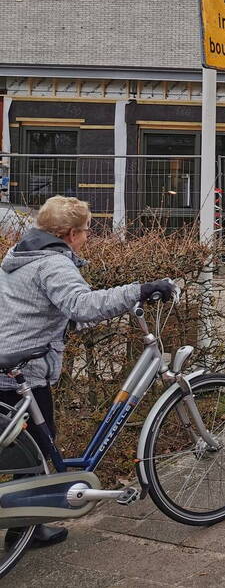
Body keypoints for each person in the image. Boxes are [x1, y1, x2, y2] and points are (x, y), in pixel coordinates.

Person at [0, 196, 176, 548]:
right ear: (68, 233)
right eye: (85, 231)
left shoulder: (19, 256)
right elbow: (82, 305)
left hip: (11, 359)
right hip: (26, 369)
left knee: (29, 452)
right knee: (34, 455)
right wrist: (138, 290)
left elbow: (35, 309)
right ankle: (26, 530)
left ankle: (28, 529)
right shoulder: (53, 264)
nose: (87, 237)